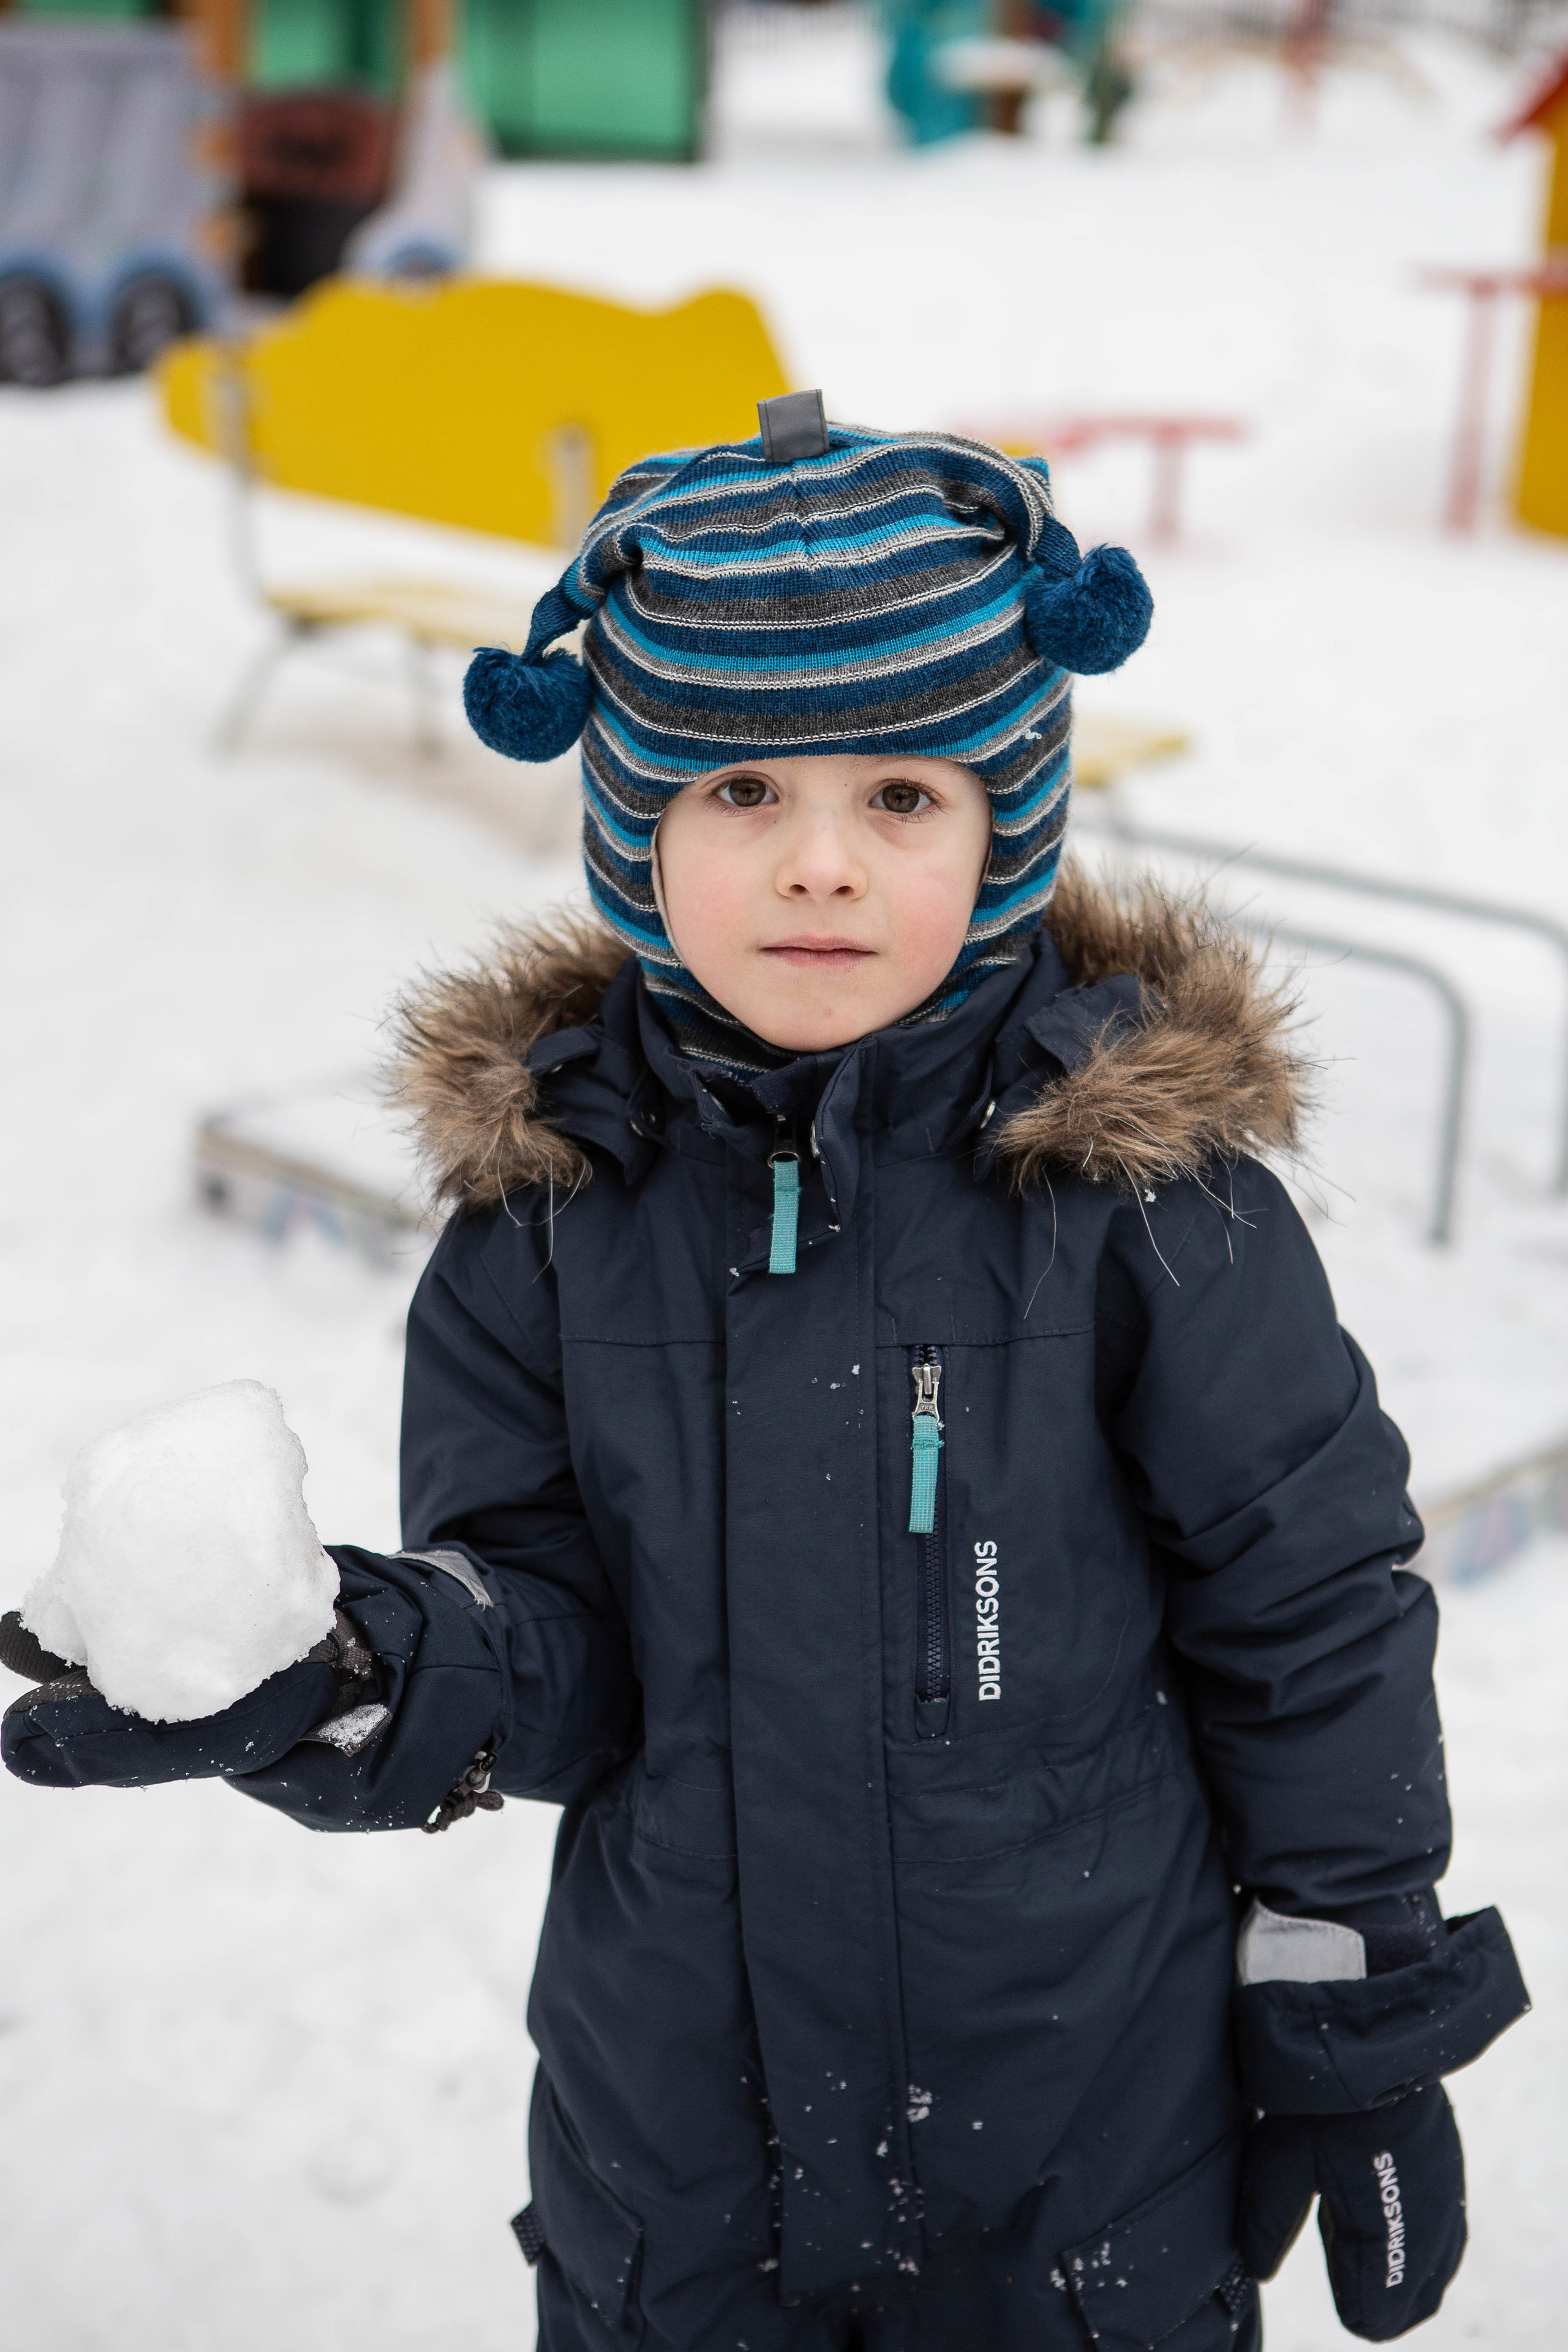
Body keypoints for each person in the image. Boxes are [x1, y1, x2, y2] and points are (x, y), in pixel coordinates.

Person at [3, 397, 1529, 2351]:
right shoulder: (543, 1219)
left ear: (1006, 827)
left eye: (901, 797)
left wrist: (1352, 2003)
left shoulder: (1140, 1200)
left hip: (1080, 2148)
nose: (819, 866)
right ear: (634, 824)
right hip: (679, 2163)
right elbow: (548, 1626)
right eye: (738, 794)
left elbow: (1307, 1605)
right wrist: (369, 1663)